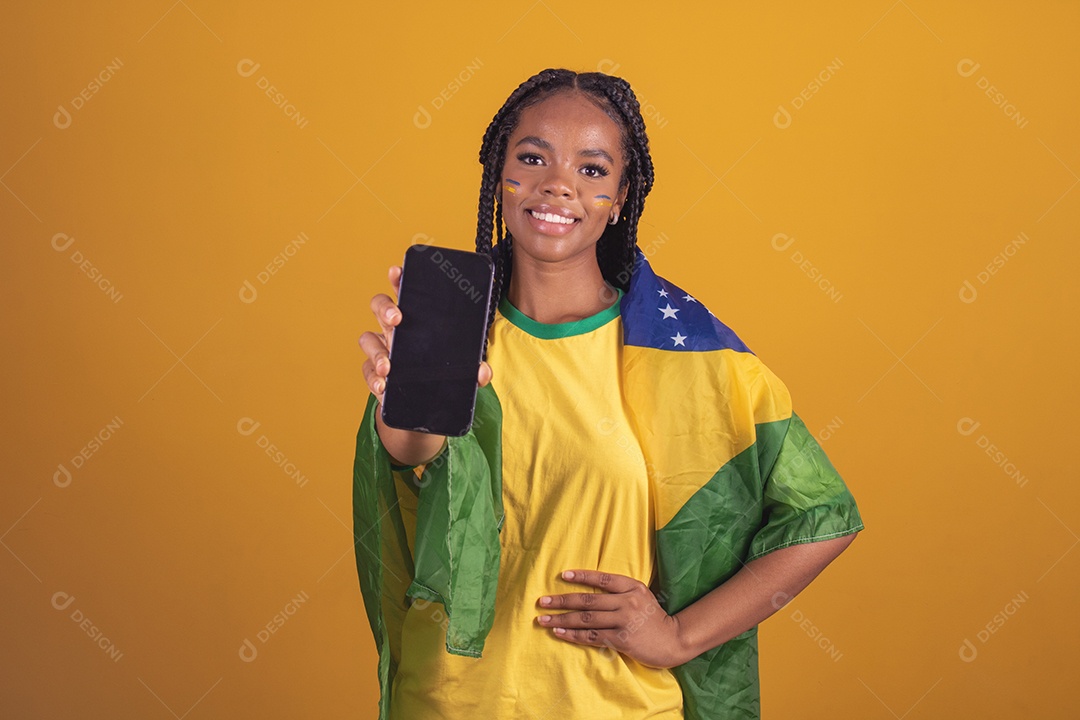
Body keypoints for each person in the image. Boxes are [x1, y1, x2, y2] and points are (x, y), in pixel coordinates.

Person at [353, 68, 864, 719]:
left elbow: (823, 516)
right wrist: (400, 396)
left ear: (622, 197)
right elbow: (408, 457)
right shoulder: (452, 333)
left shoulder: (686, 359)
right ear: (498, 175)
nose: (557, 184)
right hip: (450, 703)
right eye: (532, 158)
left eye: (592, 170)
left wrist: (679, 636)